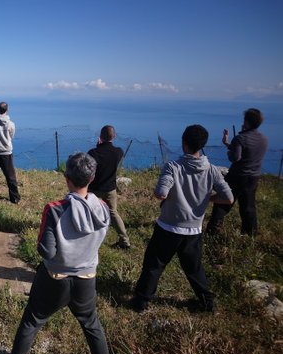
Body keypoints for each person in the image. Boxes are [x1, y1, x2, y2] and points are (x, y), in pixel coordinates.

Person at [1, 153, 114, 354]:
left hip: (54, 278)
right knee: (91, 323)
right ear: (91, 178)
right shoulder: (103, 207)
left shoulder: (55, 209)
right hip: (87, 278)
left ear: (67, 178)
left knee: (32, 322)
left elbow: (46, 250)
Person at [132, 125, 233, 313]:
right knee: (194, 269)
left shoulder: (173, 167)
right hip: (193, 231)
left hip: (167, 228)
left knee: (154, 265)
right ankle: (207, 302)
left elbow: (161, 193)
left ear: (184, 143)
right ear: (202, 145)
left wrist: (173, 194)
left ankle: (141, 301)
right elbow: (228, 198)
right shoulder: (212, 171)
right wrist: (208, 198)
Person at [206, 108, 268, 237]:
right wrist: (227, 143)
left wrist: (229, 151)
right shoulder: (263, 139)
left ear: (246, 121)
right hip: (253, 177)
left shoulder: (241, 138)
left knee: (223, 203)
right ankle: (250, 233)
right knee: (248, 206)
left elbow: (235, 157)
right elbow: (247, 151)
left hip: (237, 176)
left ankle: (213, 231)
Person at [88, 125, 131, 249]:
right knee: (113, 213)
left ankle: (89, 239)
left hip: (94, 189)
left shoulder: (93, 152)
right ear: (114, 136)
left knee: (90, 212)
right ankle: (125, 240)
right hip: (110, 189)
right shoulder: (119, 152)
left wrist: (98, 146)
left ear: (100, 137)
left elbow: (91, 165)